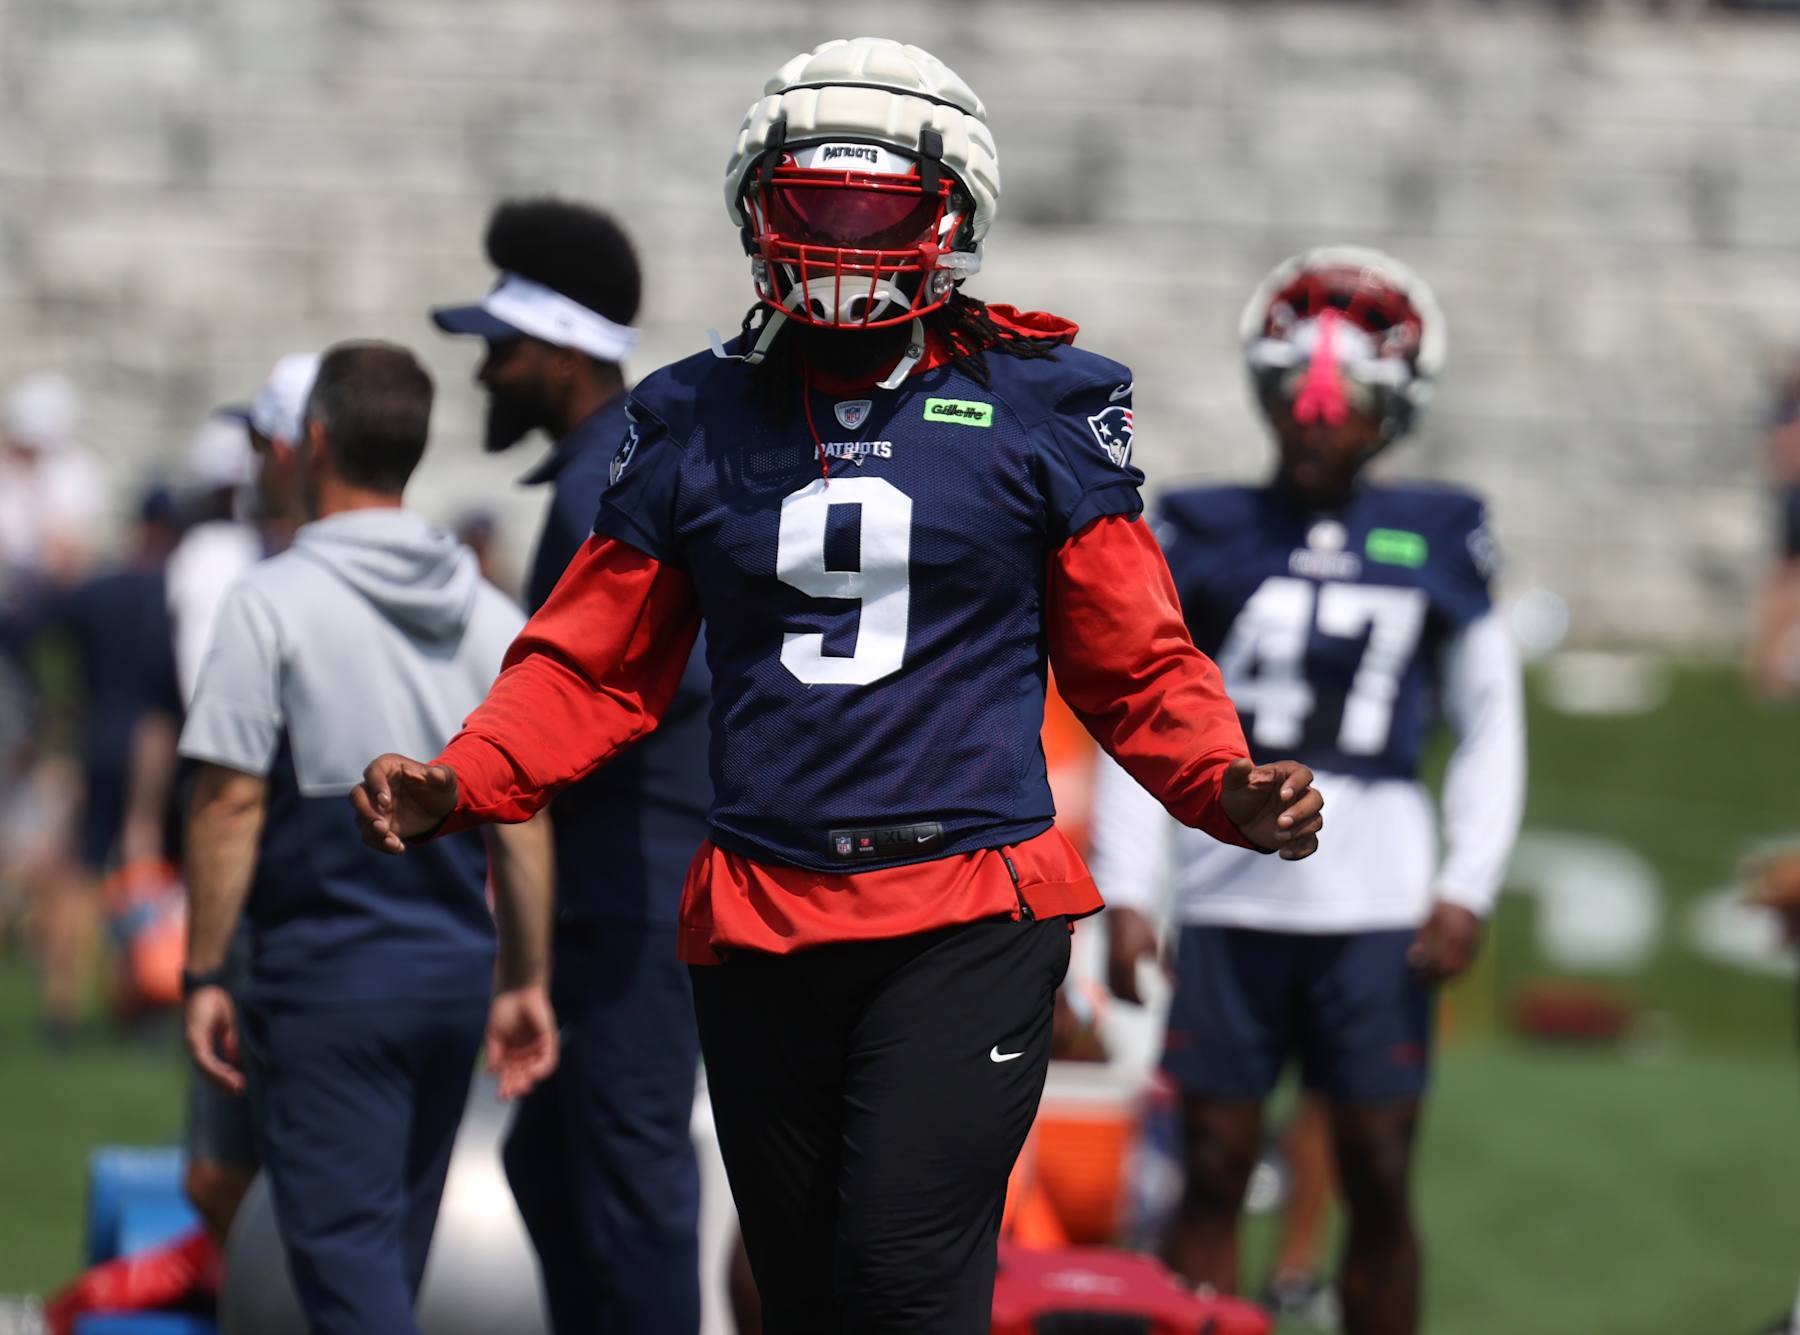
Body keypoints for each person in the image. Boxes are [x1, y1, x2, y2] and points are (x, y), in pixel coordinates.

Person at [353, 38, 1322, 1333]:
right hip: (765, 911)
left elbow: (1133, 655)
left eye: (876, 211)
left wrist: (1222, 782)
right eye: (814, 208)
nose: (844, 244)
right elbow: (591, 658)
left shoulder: (1039, 404)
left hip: (963, 903)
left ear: (952, 213)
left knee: (900, 1287)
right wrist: (466, 772)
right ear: (758, 206)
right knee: (798, 1295)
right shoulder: (693, 415)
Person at [1091, 247, 1526, 1335]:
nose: (1318, 415)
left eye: (1343, 399)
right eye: (1297, 392)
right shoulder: (1202, 527)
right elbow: (1144, 708)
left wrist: (1468, 882)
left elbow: (1491, 723)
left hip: (1378, 910)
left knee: (1379, 1168)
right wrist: (1130, 889)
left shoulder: (1440, 531)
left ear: (1396, 407)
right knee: (1213, 1166)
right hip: (1231, 897)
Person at [179, 342, 558, 1335]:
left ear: (312, 442)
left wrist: (205, 969)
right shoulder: (486, 610)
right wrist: (523, 976)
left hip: (325, 969)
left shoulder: (268, 600)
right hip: (452, 973)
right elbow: (521, 817)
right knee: (388, 1260)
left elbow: (227, 803)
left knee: (347, 1279)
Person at [431, 198, 713, 1333]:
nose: (487, 374)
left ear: (554, 351)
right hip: (618, 884)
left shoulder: (615, 479)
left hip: (637, 892)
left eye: (499, 351)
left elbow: (646, 688)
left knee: (631, 1185)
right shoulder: (607, 465)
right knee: (556, 1163)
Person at [169, 364, 317, 1251]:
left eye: (262, 442)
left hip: (294, 904)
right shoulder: (436, 571)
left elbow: (226, 778)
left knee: (256, 1169)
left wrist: (203, 968)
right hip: (382, 915)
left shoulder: (238, 576)